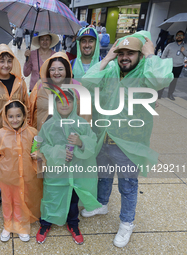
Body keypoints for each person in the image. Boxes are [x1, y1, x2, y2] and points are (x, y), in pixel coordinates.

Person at [81, 32, 173, 248]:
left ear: (140, 54)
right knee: (103, 177)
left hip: (128, 144)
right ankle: (102, 204)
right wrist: (106, 58)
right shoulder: (111, 69)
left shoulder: (146, 73)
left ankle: (126, 222)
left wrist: (151, 56)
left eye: (130, 53)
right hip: (103, 137)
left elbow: (161, 79)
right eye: (121, 53)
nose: (125, 57)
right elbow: (87, 82)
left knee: (128, 185)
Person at [36, 90, 101, 245]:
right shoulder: (49, 125)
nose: (65, 105)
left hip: (76, 173)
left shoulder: (82, 124)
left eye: (69, 101)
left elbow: (92, 141)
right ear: (54, 104)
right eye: (60, 102)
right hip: (56, 173)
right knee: (51, 196)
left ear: (75, 104)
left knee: (73, 200)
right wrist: (58, 153)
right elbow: (42, 146)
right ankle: (45, 223)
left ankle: (73, 223)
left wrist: (80, 142)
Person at [0, 44, 30, 217]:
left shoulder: (20, 82)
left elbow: (27, 108)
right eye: (2, 61)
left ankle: (16, 195)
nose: (6, 65)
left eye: (9, 61)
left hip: (17, 134)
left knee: (15, 164)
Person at [0, 100, 42, 242]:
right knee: (7, 201)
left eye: (18, 116)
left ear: (24, 115)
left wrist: (38, 154)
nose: (15, 120)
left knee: (21, 201)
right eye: (11, 116)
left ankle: (20, 225)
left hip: (26, 176)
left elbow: (40, 151)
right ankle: (7, 225)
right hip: (7, 177)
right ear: (5, 117)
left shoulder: (32, 133)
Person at [29, 52, 89, 131]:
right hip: (41, 138)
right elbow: (29, 110)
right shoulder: (41, 85)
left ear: (67, 70)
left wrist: (81, 139)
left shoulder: (78, 89)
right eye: (52, 70)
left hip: (68, 140)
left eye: (60, 69)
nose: (56, 73)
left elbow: (86, 121)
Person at [159, 30, 187, 100]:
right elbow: (163, 55)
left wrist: (183, 51)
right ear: (175, 37)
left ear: (183, 37)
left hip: (178, 66)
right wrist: (163, 63)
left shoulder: (185, 46)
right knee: (164, 80)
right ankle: (159, 94)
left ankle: (170, 94)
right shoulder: (170, 45)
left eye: (181, 35)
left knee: (174, 81)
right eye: (178, 35)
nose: (179, 37)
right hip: (168, 65)